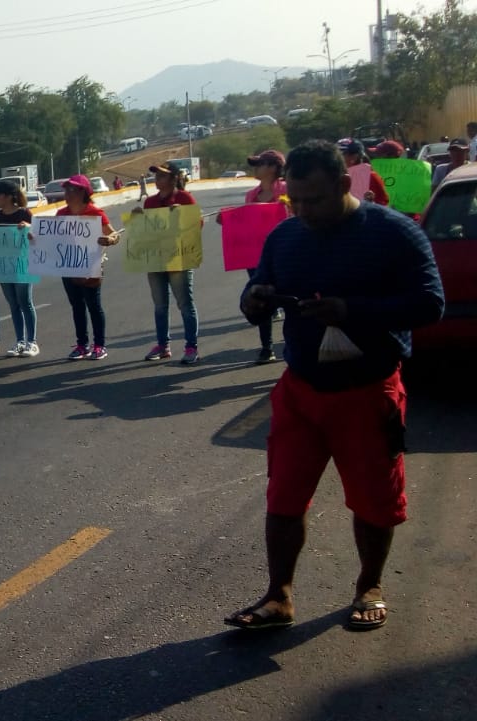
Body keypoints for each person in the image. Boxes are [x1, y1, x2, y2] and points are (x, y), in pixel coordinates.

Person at [227, 140, 444, 632]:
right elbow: (258, 283)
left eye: (315, 200)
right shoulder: (285, 237)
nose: (303, 211)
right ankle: (278, 596)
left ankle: (369, 584)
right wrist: (254, 300)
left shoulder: (394, 233)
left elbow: (431, 303)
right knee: (283, 498)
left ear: (345, 185)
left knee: (374, 499)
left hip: (367, 392)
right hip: (301, 391)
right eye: (295, 201)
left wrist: (353, 311)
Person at [217, 149, 288, 363]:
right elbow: (249, 226)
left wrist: (288, 208)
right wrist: (228, 221)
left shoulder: (287, 190)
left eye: (260, 164)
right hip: (257, 256)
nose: (255, 168)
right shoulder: (251, 195)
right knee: (261, 299)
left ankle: (293, 344)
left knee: (290, 300)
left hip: (284, 254)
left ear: (274, 168)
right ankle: (267, 348)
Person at [136, 163, 201, 364]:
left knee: (185, 304)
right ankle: (163, 345)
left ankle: (191, 347)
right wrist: (138, 220)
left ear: (173, 178)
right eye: (156, 175)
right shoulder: (150, 202)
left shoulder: (184, 198)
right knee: (160, 306)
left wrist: (182, 214)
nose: (157, 179)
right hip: (156, 259)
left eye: (162, 176)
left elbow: (197, 225)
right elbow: (145, 233)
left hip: (179, 259)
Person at [57, 175, 118, 360]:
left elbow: (114, 234)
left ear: (83, 192)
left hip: (90, 265)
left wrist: (110, 239)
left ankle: (99, 345)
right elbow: (50, 238)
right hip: (68, 266)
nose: (66, 193)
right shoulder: (61, 214)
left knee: (93, 305)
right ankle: (82, 344)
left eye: (71, 189)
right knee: (76, 306)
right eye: (66, 189)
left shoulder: (95, 213)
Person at [0, 179, 39, 357]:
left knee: (25, 302)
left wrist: (29, 228)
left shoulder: (25, 213)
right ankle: (20, 340)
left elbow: (38, 237)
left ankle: (32, 342)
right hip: (5, 265)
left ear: (9, 196)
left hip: (23, 264)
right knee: (13, 304)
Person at [338, 139, 389, 205]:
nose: (336, 157)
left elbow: (383, 204)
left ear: (354, 157)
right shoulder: (335, 175)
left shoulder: (370, 177)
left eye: (341, 154)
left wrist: (370, 204)